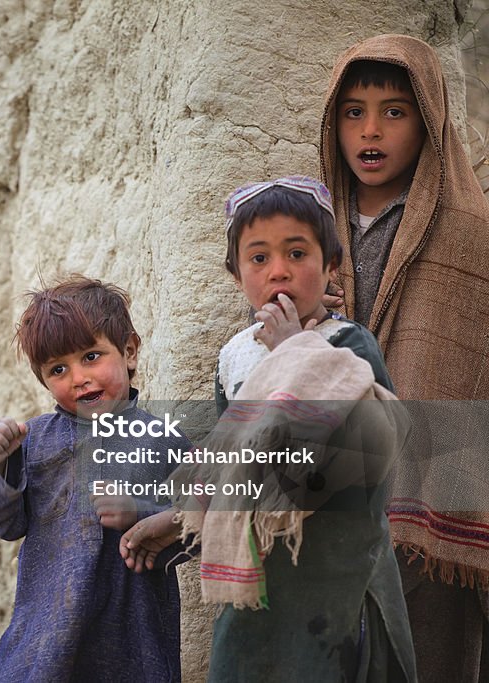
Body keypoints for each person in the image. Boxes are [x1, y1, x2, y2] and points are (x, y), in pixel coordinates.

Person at [127, 177, 416, 681]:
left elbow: (371, 451)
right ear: (236, 274)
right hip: (257, 579)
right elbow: (232, 467)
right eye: (258, 258)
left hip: (335, 578)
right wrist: (177, 519)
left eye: (297, 253)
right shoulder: (234, 359)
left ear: (330, 266)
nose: (278, 271)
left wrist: (292, 352)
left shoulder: (347, 345)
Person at [320, 34, 489, 682]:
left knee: (430, 652)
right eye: (354, 111)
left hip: (432, 504)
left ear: (429, 120)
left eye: (395, 111)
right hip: (335, 489)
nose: (371, 130)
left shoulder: (470, 235)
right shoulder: (314, 228)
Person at [0, 276, 191, 682]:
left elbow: (199, 528)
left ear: (128, 351)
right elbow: (4, 523)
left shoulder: (164, 441)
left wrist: (142, 513)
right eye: (58, 369)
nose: (78, 377)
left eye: (91, 356)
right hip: (45, 637)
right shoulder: (34, 441)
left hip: (132, 640)